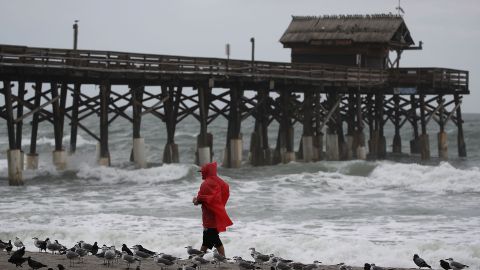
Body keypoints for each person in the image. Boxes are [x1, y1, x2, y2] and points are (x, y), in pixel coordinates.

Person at [192, 162, 233, 256]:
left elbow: (200, 200)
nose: (201, 173)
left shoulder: (205, 184)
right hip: (216, 213)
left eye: (203, 172)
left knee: (215, 240)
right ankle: (199, 257)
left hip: (209, 217)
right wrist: (218, 205)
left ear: (207, 172)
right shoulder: (222, 183)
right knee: (206, 241)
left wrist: (195, 200)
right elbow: (219, 197)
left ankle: (223, 258)